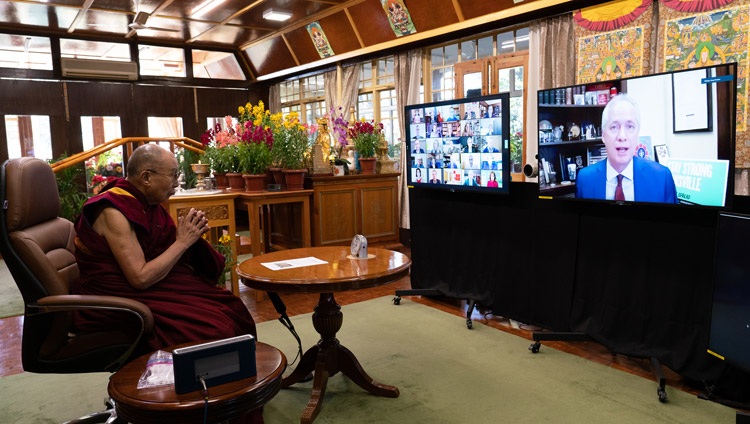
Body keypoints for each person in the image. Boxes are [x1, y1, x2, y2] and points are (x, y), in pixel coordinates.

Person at [71, 144, 259, 356]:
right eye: (173, 174)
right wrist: (183, 242)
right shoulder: (114, 211)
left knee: (229, 306)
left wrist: (191, 237)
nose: (177, 182)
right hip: (116, 296)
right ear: (146, 177)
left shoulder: (144, 202)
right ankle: (199, 384)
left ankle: (235, 379)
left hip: (146, 287)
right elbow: (139, 278)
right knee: (215, 328)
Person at [575, 94, 678, 203]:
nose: (622, 137)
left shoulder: (662, 178)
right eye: (614, 127)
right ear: (603, 135)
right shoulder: (585, 179)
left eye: (630, 127)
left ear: (637, 134)